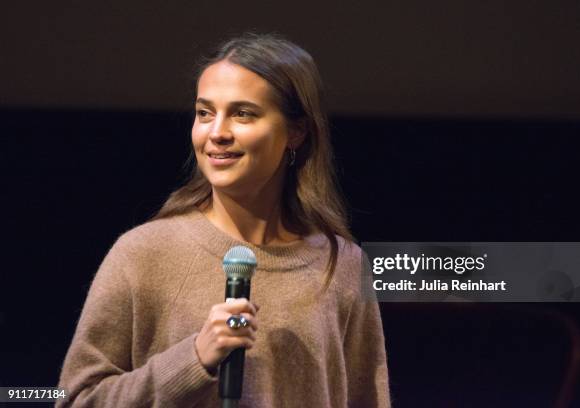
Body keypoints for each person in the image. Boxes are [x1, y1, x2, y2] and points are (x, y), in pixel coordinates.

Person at [57, 33, 390, 407]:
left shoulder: (341, 264)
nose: (217, 133)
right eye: (204, 113)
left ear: (296, 131)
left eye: (243, 113)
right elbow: (74, 400)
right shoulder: (143, 254)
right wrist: (193, 358)